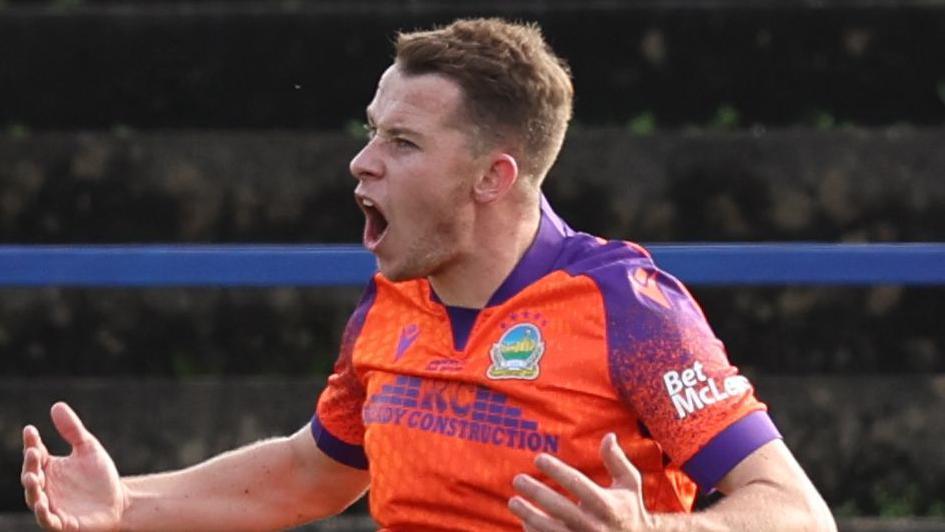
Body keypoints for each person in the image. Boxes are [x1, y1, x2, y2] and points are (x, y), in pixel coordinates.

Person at [21, 17, 836, 531]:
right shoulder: (393, 302)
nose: (360, 162)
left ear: (493, 177)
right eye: (372, 132)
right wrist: (129, 504)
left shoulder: (628, 308)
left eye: (401, 144)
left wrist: (657, 531)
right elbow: (313, 472)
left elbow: (797, 513)